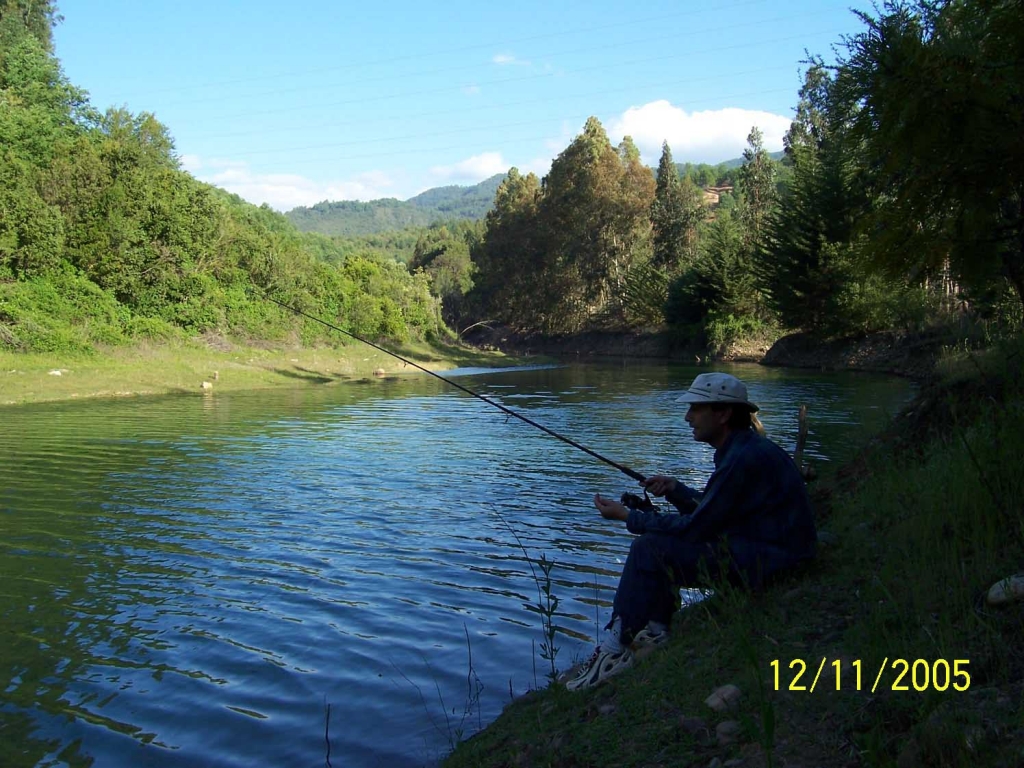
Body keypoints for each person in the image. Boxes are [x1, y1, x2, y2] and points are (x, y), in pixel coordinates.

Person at [565, 372, 817, 692]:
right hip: (775, 552)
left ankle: (613, 652)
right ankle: (655, 630)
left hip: (774, 562)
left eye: (696, 409)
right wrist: (675, 490)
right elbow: (715, 513)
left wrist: (628, 516)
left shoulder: (742, 458)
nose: (688, 417)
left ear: (723, 413)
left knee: (648, 548)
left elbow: (697, 529)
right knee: (655, 544)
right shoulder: (744, 449)